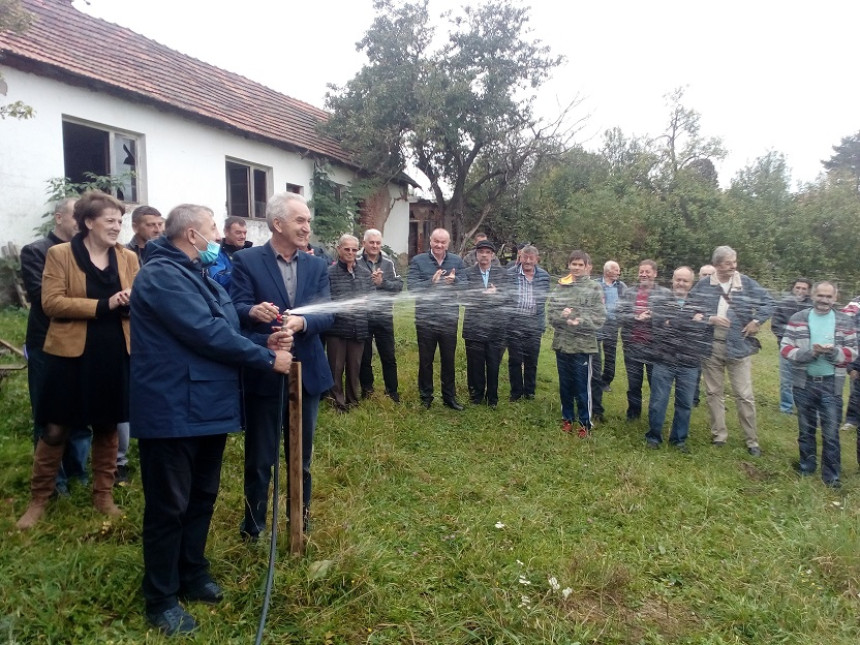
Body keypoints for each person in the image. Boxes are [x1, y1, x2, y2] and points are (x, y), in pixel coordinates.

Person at [130, 203, 293, 636]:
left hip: (207, 407)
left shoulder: (200, 275)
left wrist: (265, 337)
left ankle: (192, 572)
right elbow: (205, 333)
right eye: (211, 231)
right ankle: (161, 597)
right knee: (169, 505)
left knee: (202, 495)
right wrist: (265, 358)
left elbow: (229, 327)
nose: (216, 238)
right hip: (172, 409)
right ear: (190, 236)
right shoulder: (162, 276)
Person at [16, 191, 139, 530]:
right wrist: (105, 304)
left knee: (107, 424)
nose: (117, 227)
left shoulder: (127, 257)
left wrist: (131, 303)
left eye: (119, 221)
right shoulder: (60, 254)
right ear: (89, 222)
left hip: (113, 350)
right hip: (68, 353)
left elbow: (138, 300)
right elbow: (52, 303)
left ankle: (103, 495)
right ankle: (39, 499)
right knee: (56, 427)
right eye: (110, 221)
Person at [230, 192, 333, 540]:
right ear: (278, 224)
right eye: (300, 220)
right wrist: (250, 311)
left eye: (307, 220)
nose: (307, 227)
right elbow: (235, 306)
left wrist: (301, 324)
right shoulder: (246, 261)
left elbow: (328, 313)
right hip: (265, 370)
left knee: (301, 458)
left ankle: (299, 521)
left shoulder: (317, 265)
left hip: (307, 373)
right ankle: (254, 527)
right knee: (260, 458)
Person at [20, 197, 92, 495]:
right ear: (58, 217)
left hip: (84, 341)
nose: (80, 220)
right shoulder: (37, 251)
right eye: (76, 214)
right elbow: (44, 298)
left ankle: (79, 473)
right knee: (49, 413)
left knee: (81, 413)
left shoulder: (88, 252)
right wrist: (98, 303)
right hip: (47, 343)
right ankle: (53, 482)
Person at [689, 246, 773, 456]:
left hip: (739, 345)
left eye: (734, 262)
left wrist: (756, 321)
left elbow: (769, 302)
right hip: (711, 345)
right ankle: (719, 435)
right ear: (717, 265)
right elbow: (690, 308)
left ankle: (752, 441)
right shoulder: (703, 285)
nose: (733, 266)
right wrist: (709, 319)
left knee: (744, 395)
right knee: (713, 392)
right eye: (728, 263)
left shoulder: (745, 282)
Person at [781, 282, 857, 488]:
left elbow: (853, 352)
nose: (824, 300)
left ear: (835, 298)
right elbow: (785, 349)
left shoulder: (844, 321)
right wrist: (810, 353)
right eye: (820, 295)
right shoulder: (798, 319)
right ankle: (807, 467)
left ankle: (831, 477)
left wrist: (833, 352)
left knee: (831, 433)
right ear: (813, 295)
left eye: (828, 296)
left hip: (831, 385)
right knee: (806, 430)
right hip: (803, 384)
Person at [646, 267, 708, 452]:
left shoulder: (700, 303)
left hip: (689, 362)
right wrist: (690, 321)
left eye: (685, 281)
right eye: (678, 279)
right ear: (672, 280)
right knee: (658, 400)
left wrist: (673, 322)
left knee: (685, 403)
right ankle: (653, 436)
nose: (681, 283)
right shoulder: (660, 302)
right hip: (664, 359)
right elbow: (659, 329)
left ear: (692, 283)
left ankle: (678, 439)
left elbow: (701, 330)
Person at [546, 250, 606, 436]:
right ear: (569, 265)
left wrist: (580, 320)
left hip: (583, 346)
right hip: (562, 344)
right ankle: (567, 419)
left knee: (582, 387)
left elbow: (599, 316)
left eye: (581, 264)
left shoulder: (594, 288)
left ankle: (584, 423)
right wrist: (561, 316)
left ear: (587, 266)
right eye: (574, 264)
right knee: (565, 386)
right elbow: (551, 314)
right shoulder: (561, 286)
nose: (577, 268)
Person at [407, 228, 466, 410]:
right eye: (436, 241)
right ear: (430, 241)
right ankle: (426, 397)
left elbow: (466, 285)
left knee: (448, 360)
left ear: (448, 244)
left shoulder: (456, 261)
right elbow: (411, 287)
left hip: (449, 318)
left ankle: (449, 397)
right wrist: (430, 283)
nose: (439, 245)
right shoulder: (418, 261)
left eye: (443, 242)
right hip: (425, 319)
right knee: (426, 360)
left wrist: (454, 282)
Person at [617, 260, 670, 421]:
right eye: (641, 272)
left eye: (647, 272)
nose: (644, 275)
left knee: (656, 385)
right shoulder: (629, 292)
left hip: (655, 347)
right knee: (634, 384)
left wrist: (655, 316)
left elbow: (672, 317)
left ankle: (655, 415)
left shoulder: (665, 294)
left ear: (655, 273)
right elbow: (619, 314)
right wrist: (636, 317)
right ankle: (633, 414)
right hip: (633, 346)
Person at [461, 239, 510, 408]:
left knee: (493, 363)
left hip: (496, 327)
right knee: (475, 364)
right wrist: (484, 295)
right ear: (476, 254)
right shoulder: (466, 273)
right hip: (474, 326)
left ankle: (492, 397)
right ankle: (476, 396)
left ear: (492, 255)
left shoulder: (502, 274)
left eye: (487, 252)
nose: (484, 255)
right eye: (481, 251)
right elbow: (463, 297)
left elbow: (507, 297)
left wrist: (495, 295)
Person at [327, 234, 371, 411]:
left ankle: (353, 400)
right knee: (336, 368)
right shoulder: (329, 273)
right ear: (339, 249)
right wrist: (344, 307)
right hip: (336, 329)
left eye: (354, 249)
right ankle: (338, 402)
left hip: (358, 328)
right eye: (347, 249)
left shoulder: (365, 273)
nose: (351, 252)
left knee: (355, 367)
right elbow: (326, 300)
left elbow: (372, 297)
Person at [357, 228, 402, 402]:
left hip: (383, 316)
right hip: (363, 316)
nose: (375, 246)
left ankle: (392, 392)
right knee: (365, 357)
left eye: (378, 243)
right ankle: (367, 391)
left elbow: (398, 286)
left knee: (389, 356)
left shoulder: (389, 263)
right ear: (364, 244)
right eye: (371, 242)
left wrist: (382, 283)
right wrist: (369, 284)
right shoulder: (357, 262)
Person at [506, 244, 550, 402]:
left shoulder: (544, 276)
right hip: (514, 322)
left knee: (532, 360)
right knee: (515, 360)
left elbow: (543, 299)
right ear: (520, 257)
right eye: (525, 257)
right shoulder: (510, 274)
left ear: (537, 259)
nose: (528, 261)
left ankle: (530, 392)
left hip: (534, 323)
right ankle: (516, 392)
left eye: (531, 258)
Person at [771, 278, 813, 414]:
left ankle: (804, 408)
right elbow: (776, 325)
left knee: (806, 380)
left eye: (804, 288)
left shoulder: (813, 307)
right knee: (786, 381)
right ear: (793, 288)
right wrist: (790, 338)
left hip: (807, 351)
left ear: (809, 291)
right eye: (798, 287)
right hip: (787, 349)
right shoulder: (784, 304)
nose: (800, 291)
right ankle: (786, 408)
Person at [692, 264, 717, 407]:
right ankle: (693, 399)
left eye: (710, 275)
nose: (706, 278)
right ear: (699, 276)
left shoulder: (721, 292)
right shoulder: (694, 292)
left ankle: (715, 399)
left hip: (715, 336)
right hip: (697, 335)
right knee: (695, 369)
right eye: (704, 275)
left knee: (714, 371)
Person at [208, 215, 252, 288]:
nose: (243, 236)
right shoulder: (215, 252)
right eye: (238, 233)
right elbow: (217, 280)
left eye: (245, 233)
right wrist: (242, 270)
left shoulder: (250, 252)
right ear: (226, 232)